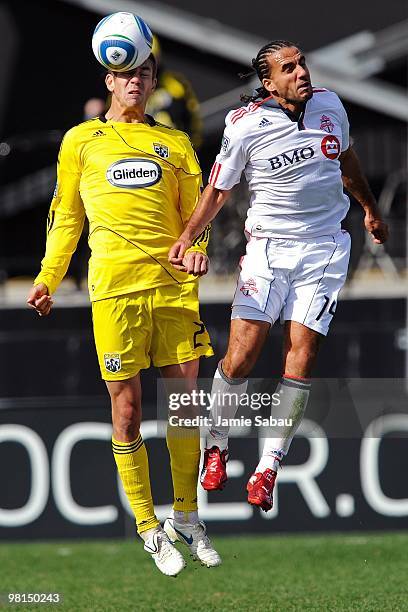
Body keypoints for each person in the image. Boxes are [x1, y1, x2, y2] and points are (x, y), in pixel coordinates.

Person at [169, 40, 389, 512]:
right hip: (268, 250)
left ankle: (268, 466)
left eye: (302, 63)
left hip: (326, 248)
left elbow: (347, 161)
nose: (301, 73)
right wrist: (187, 237)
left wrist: (369, 208)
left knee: (301, 356)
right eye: (288, 68)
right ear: (269, 82)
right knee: (242, 355)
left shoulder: (330, 105)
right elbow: (218, 189)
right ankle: (217, 441)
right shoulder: (246, 125)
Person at [27, 52, 221, 576]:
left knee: (184, 407)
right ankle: (147, 527)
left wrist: (198, 246)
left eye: (143, 74)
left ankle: (186, 516)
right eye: (125, 75)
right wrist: (48, 277)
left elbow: (195, 217)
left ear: (153, 82)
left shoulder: (175, 144)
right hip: (114, 292)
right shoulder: (81, 141)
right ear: (109, 80)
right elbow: (66, 216)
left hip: (174, 288)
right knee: (128, 412)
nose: (134, 82)